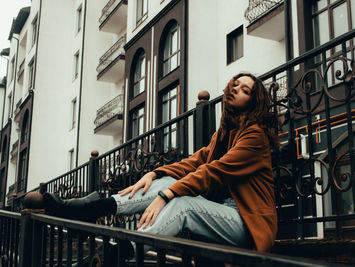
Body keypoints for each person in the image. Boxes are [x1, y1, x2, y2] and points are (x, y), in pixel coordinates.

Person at [25, 73, 279, 253]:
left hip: (247, 224)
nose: (236, 89)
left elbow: (213, 172)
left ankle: (124, 252)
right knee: (168, 182)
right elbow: (192, 163)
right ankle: (93, 208)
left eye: (245, 90)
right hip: (220, 216)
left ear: (253, 101)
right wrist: (155, 175)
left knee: (183, 203)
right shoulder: (223, 134)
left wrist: (167, 195)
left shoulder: (255, 136)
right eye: (236, 84)